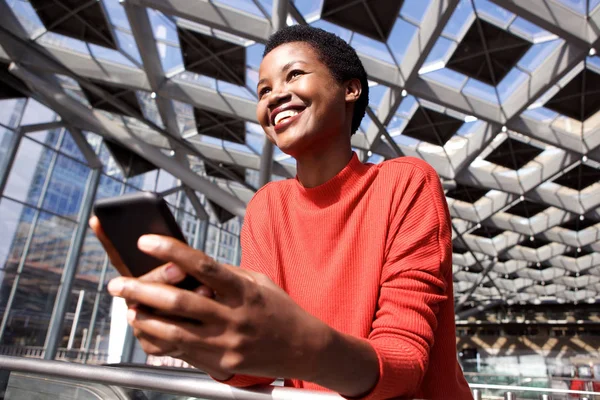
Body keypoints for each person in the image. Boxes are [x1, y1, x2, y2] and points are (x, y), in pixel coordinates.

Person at [91, 25, 473, 400]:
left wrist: (303, 349)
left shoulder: (405, 182)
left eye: (294, 75)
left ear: (350, 89)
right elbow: (256, 370)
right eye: (264, 90)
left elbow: (404, 364)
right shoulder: (267, 207)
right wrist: (207, 344)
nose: (274, 97)